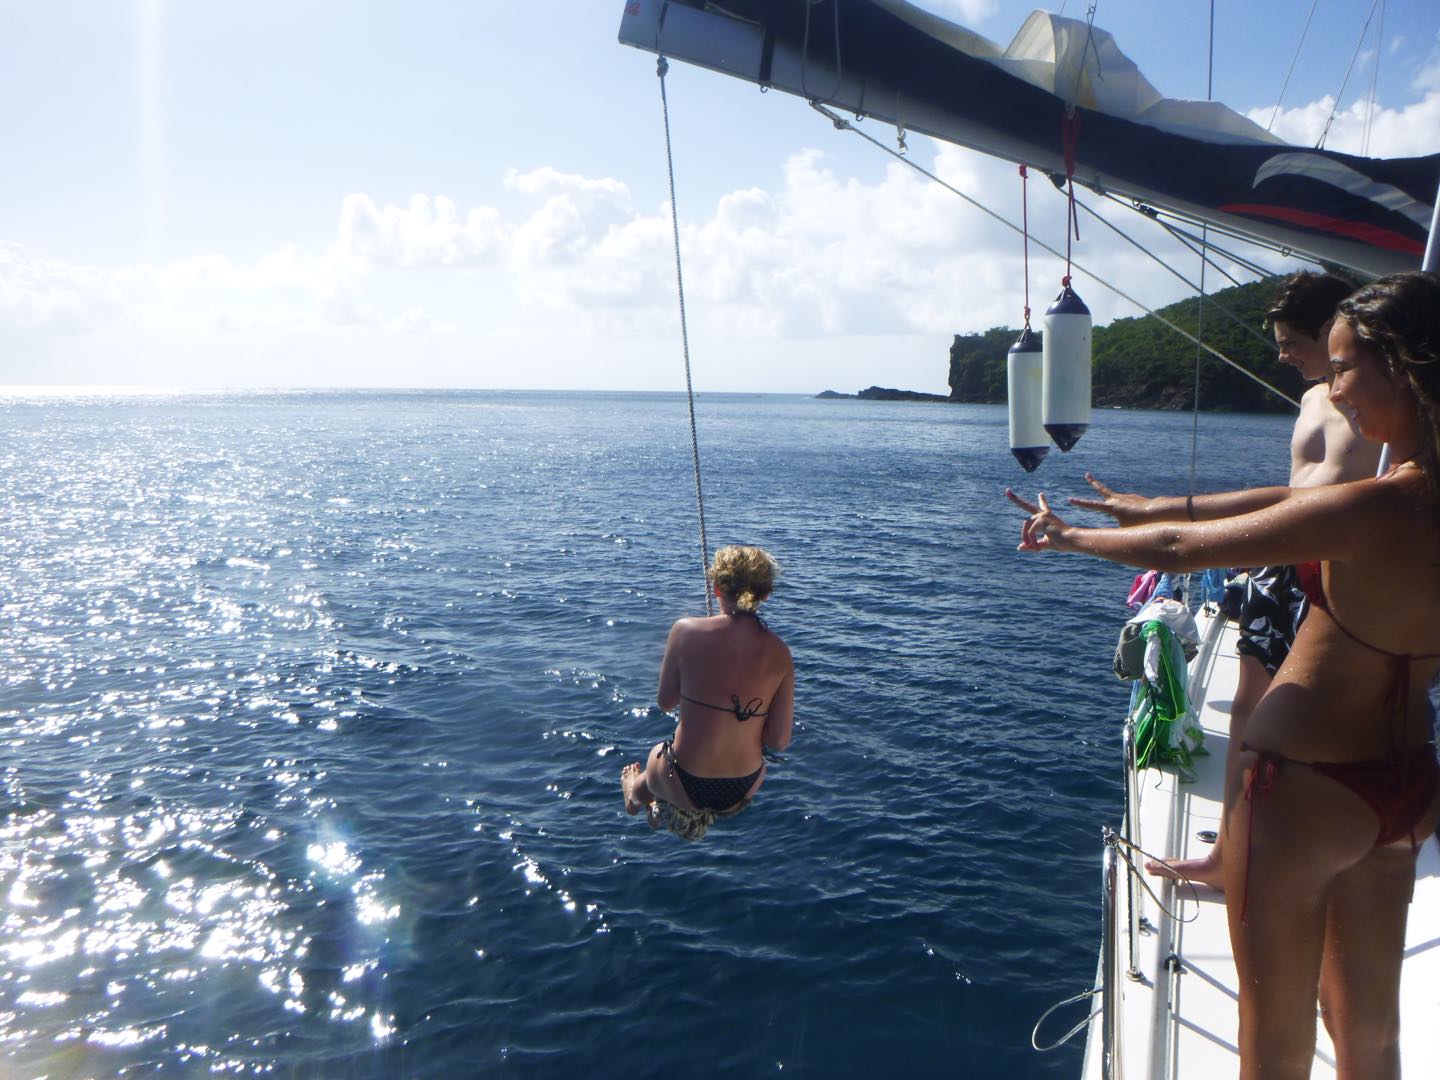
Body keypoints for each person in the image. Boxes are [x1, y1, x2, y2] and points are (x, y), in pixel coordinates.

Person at [1006, 270, 1440, 1079]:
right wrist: (1155, 504)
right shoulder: (1399, 500)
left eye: (1346, 368)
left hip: (1307, 789)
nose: (1335, 390)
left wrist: (1070, 539)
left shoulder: (1379, 508)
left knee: (1272, 1038)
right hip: (1409, 786)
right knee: (1372, 1036)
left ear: (1403, 367)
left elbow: (1179, 554)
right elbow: (1279, 500)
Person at [1071, 271, 1381, 888]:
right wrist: (1159, 506)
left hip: (1340, 570)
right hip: (1283, 565)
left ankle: (1324, 849)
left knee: (1319, 718)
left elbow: (1331, 502)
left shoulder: (1377, 407)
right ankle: (1229, 851)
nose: (1282, 355)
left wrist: (1160, 514)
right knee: (1247, 705)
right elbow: (1293, 494)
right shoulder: (1313, 399)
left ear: (1330, 329)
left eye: (1290, 341)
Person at [621, 545, 794, 840]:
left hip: (682, 779)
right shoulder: (781, 653)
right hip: (742, 787)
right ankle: (657, 801)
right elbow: (778, 741)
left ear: (716, 589)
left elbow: (666, 702)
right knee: (673, 774)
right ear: (765, 594)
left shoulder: (685, 630)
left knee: (654, 765)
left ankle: (634, 797)